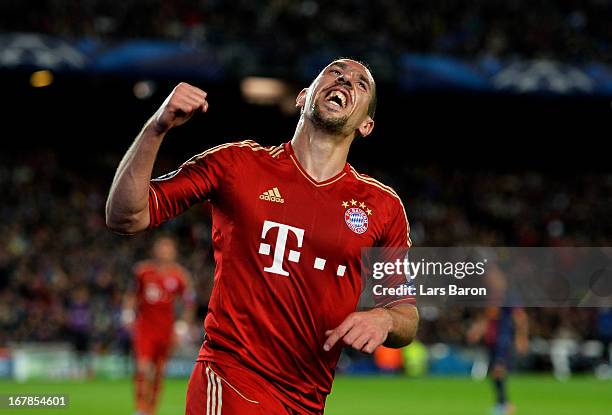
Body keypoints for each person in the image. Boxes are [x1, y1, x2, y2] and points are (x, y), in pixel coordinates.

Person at [106, 58, 419, 415]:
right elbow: (126, 216)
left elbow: (405, 314)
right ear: (303, 97)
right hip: (230, 379)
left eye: (361, 84)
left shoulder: (383, 206)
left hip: (308, 400)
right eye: (335, 73)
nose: (346, 81)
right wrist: (156, 127)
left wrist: (387, 319)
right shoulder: (237, 165)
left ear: (367, 125)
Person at [122, 236, 195, 415]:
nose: (164, 252)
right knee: (142, 367)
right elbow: (131, 294)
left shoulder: (180, 275)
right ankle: (140, 409)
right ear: (155, 250)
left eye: (168, 248)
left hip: (166, 330)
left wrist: (182, 326)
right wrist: (127, 314)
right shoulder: (142, 271)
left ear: (174, 252)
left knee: (158, 373)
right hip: (145, 327)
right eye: (162, 248)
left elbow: (189, 301)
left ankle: (151, 410)